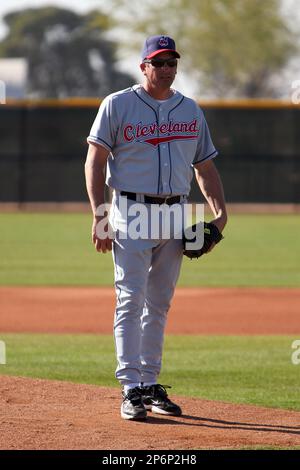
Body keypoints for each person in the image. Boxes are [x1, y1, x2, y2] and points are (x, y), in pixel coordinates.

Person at [85, 35, 227, 421]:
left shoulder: (191, 110)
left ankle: (149, 383)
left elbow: (205, 168)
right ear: (143, 65)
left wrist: (220, 215)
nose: (166, 68)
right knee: (131, 298)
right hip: (129, 209)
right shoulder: (117, 104)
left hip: (175, 213)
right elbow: (95, 162)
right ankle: (130, 387)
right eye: (158, 61)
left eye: (171, 62)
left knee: (159, 302)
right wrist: (100, 216)